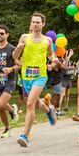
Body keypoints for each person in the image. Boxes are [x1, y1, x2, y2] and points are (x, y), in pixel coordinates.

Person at [13, 12, 59, 147]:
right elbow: (15, 56)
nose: (35, 24)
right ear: (30, 24)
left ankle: (25, 135)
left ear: (43, 24)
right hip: (26, 77)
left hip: (40, 76)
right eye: (33, 22)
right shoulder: (24, 37)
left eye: (38, 22)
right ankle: (49, 110)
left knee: (30, 104)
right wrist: (19, 48)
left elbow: (51, 55)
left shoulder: (47, 40)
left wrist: (54, 61)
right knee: (38, 104)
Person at [0, 24, 20, 138]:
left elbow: (19, 65)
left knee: (1, 104)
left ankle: (12, 109)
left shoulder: (12, 49)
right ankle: (7, 128)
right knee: (1, 107)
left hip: (9, 81)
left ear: (7, 35)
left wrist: (11, 68)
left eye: (2, 33)